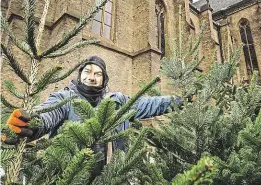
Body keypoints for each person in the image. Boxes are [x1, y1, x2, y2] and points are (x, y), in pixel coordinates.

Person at [4, 56, 181, 159]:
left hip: (108, 183)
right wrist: (31, 123)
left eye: (98, 74)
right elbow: (48, 113)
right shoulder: (65, 98)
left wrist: (180, 101)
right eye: (87, 72)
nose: (91, 77)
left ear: (104, 80)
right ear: (80, 75)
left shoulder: (117, 102)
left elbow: (149, 104)